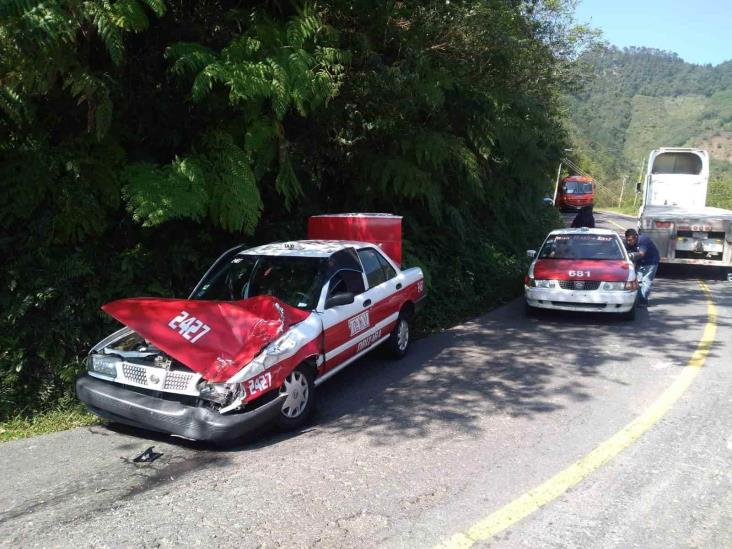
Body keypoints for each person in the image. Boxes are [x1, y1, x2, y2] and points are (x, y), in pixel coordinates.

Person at [624, 228, 660, 307]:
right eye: (627, 240)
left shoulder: (643, 240)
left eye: (630, 240)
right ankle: (638, 299)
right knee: (638, 282)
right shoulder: (627, 243)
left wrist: (631, 255)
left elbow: (641, 254)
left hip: (650, 262)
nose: (628, 242)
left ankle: (643, 301)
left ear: (636, 237)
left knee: (646, 281)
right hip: (640, 262)